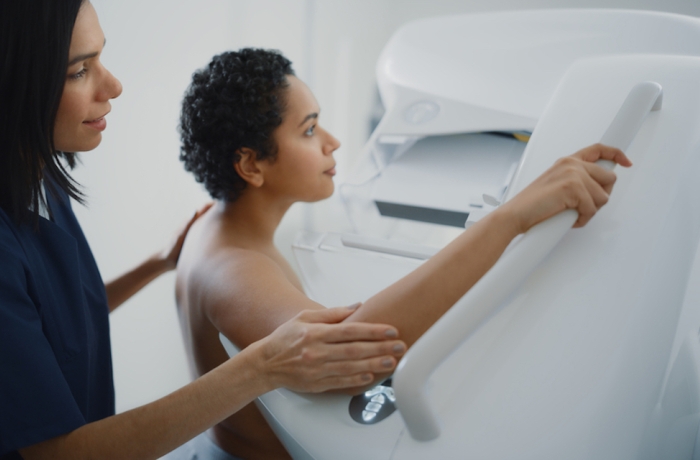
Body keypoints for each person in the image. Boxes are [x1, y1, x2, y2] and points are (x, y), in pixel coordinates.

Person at [175, 48, 632, 459]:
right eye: (310, 129)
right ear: (252, 165)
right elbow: (346, 354)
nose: (332, 141)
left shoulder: (215, 225)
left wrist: (160, 260)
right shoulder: (233, 269)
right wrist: (510, 218)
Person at [0, 2, 408, 460]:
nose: (114, 85)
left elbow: (55, 317)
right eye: (79, 71)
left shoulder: (38, 177)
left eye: (101, 59)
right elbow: (58, 453)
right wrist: (262, 365)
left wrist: (157, 263)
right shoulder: (232, 265)